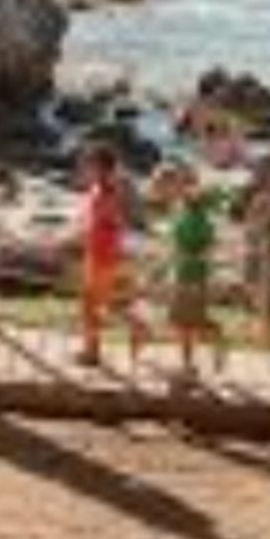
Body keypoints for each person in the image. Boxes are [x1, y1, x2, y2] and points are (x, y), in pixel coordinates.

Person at [76, 142, 148, 367]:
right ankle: (93, 348)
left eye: (89, 164)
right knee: (95, 303)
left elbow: (114, 221)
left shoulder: (108, 191)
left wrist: (104, 232)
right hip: (96, 251)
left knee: (93, 304)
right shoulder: (99, 188)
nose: (85, 168)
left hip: (102, 254)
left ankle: (95, 350)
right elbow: (94, 221)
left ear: (100, 167)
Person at [163, 165, 225, 379]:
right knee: (187, 322)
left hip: (189, 275)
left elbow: (183, 249)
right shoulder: (194, 218)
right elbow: (181, 246)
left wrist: (187, 257)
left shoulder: (193, 220)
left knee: (186, 324)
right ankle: (193, 358)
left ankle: (188, 365)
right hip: (190, 275)